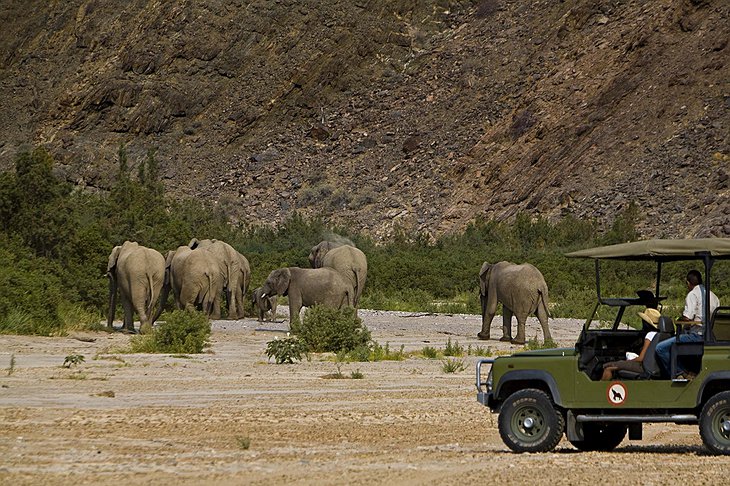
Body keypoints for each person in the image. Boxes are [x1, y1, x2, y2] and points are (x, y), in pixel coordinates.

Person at [655, 270, 720, 380]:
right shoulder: (713, 296)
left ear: (688, 283)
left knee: (660, 348)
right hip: (710, 336)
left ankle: (680, 372)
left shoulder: (693, 294)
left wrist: (679, 319)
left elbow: (687, 318)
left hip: (697, 336)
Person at [601, 308, 660, 381]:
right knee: (618, 363)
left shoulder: (650, 335)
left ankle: (599, 390)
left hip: (644, 367)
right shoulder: (662, 335)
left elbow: (641, 358)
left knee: (608, 367)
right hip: (656, 367)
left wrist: (626, 362)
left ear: (646, 323)